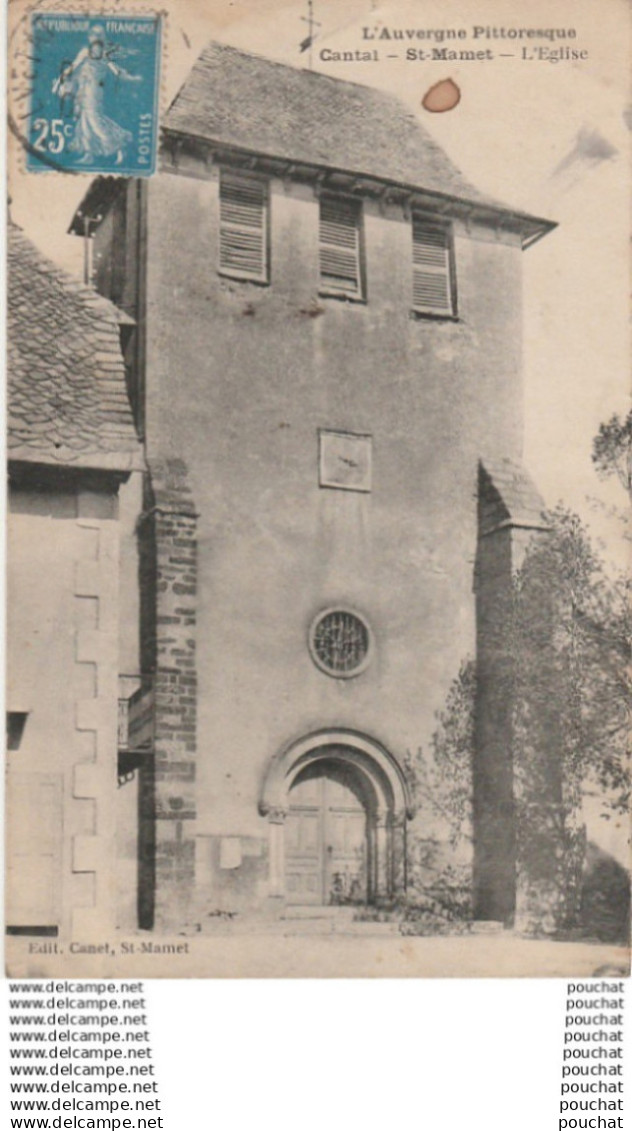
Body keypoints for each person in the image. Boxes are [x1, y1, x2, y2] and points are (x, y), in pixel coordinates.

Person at [55, 25, 142, 164]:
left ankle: (119, 146)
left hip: (95, 92)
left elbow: (116, 71)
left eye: (96, 36)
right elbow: (73, 66)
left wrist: (132, 78)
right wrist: (61, 78)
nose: (93, 38)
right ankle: (89, 154)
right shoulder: (85, 52)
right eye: (92, 35)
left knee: (94, 120)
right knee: (85, 121)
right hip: (84, 91)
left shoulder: (104, 55)